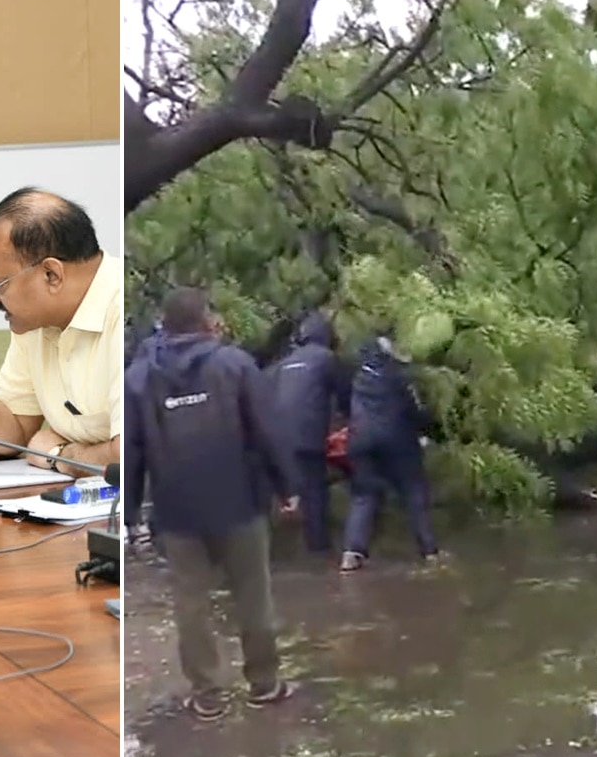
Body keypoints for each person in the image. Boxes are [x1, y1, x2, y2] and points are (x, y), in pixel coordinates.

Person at [125, 286, 302, 722]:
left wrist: (129, 514)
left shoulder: (138, 378)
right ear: (208, 321)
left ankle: (208, 695)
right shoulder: (235, 365)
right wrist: (288, 486)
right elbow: (268, 430)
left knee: (191, 602)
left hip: (177, 511)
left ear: (165, 325)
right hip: (239, 501)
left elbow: (132, 450)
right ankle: (264, 684)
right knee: (253, 595)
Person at [0, 187, 120, 475]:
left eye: (0, 285)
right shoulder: (35, 323)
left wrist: (59, 455)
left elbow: (130, 457)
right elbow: (17, 433)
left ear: (51, 274)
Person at [339, 333, 439, 571]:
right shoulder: (399, 377)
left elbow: (346, 406)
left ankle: (351, 554)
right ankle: (429, 552)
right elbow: (413, 412)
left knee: (364, 495)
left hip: (360, 441)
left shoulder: (358, 376)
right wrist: (429, 431)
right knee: (413, 491)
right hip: (396, 440)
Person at [266, 311, 352, 555]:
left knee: (289, 490)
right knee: (315, 493)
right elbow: (346, 394)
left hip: (277, 440)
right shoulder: (327, 359)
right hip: (307, 438)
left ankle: (281, 547)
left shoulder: (283, 364)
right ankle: (319, 551)